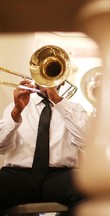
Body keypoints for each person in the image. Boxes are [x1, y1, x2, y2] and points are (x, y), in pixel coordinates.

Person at [0, 79, 90, 215]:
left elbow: (85, 140)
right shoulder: (16, 105)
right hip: (19, 175)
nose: (47, 80)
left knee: (88, 190)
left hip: (60, 175)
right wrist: (16, 111)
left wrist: (58, 101)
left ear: (63, 81)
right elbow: (2, 147)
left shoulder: (75, 109)